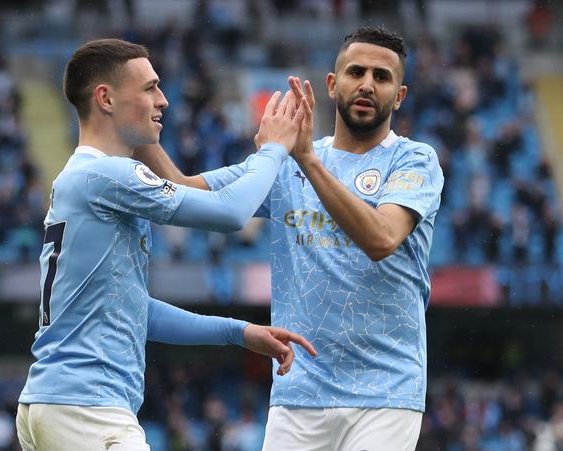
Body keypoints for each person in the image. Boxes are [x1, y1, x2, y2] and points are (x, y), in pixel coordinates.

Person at [136, 26, 444, 450]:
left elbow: (382, 238)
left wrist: (308, 161)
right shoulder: (285, 164)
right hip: (299, 389)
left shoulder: (414, 159)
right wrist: (140, 131)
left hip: (386, 392)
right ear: (333, 84)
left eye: (382, 76)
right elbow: (182, 188)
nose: (368, 85)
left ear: (400, 95)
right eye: (357, 72)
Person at [15, 38, 316, 451]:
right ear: (105, 98)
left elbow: (135, 310)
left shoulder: (84, 179)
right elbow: (230, 214)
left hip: (56, 404)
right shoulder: (108, 176)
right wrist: (275, 149)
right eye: (150, 88)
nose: (164, 100)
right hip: (87, 409)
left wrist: (240, 332)